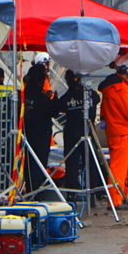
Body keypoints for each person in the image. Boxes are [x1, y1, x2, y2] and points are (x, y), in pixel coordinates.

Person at [98, 54, 128, 207]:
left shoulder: (110, 88)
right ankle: (115, 201)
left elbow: (104, 111)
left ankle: (120, 197)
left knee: (119, 167)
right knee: (118, 169)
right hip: (122, 132)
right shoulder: (120, 89)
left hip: (115, 130)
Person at [56, 70, 100, 195]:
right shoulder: (90, 94)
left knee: (72, 163)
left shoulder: (66, 97)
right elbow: (96, 99)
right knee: (90, 161)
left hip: (72, 132)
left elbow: (60, 108)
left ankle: (72, 192)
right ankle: (92, 190)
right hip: (87, 130)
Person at [22, 65, 56, 195]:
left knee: (28, 163)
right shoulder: (41, 98)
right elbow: (52, 111)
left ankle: (30, 188)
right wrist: (52, 99)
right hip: (41, 133)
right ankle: (36, 191)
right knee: (40, 162)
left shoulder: (24, 95)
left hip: (26, 132)